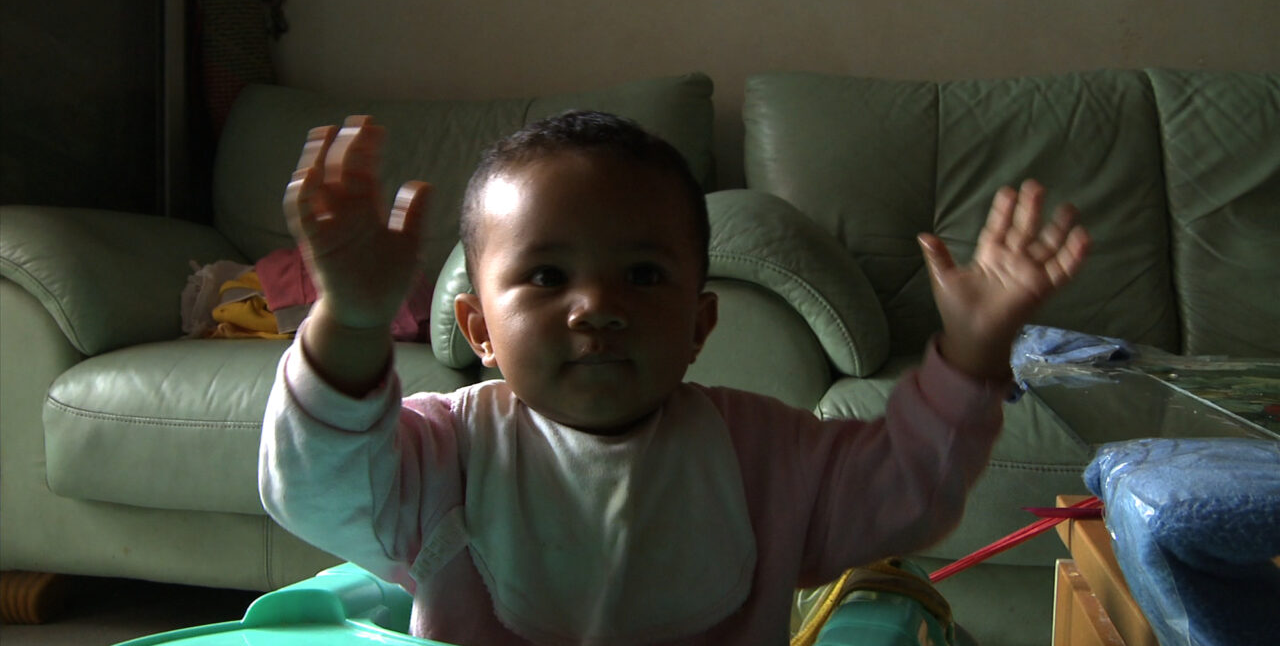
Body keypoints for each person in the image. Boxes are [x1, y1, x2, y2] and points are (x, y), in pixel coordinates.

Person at [259, 111, 1090, 645]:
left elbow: (905, 492)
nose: (597, 306)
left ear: (698, 327)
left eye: (643, 276)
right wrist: (352, 322)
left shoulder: (765, 455)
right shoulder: (447, 453)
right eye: (547, 277)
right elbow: (318, 487)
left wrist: (973, 355)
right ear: (478, 330)